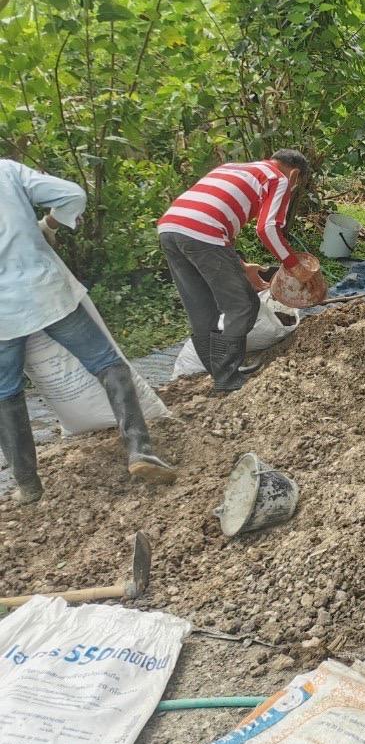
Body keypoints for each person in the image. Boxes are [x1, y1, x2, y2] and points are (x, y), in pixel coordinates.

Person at [1, 161, 175, 504]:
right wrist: (49, 223)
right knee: (107, 363)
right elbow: (72, 194)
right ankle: (140, 450)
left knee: (5, 393)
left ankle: (28, 485)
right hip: (45, 292)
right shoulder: (6, 170)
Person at [158, 150, 316, 393]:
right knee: (243, 306)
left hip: (170, 229)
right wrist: (295, 266)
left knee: (202, 309)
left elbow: (215, 223)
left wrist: (242, 268)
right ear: (295, 174)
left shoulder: (232, 168)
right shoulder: (279, 178)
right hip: (204, 233)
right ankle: (227, 377)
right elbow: (268, 228)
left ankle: (221, 373)